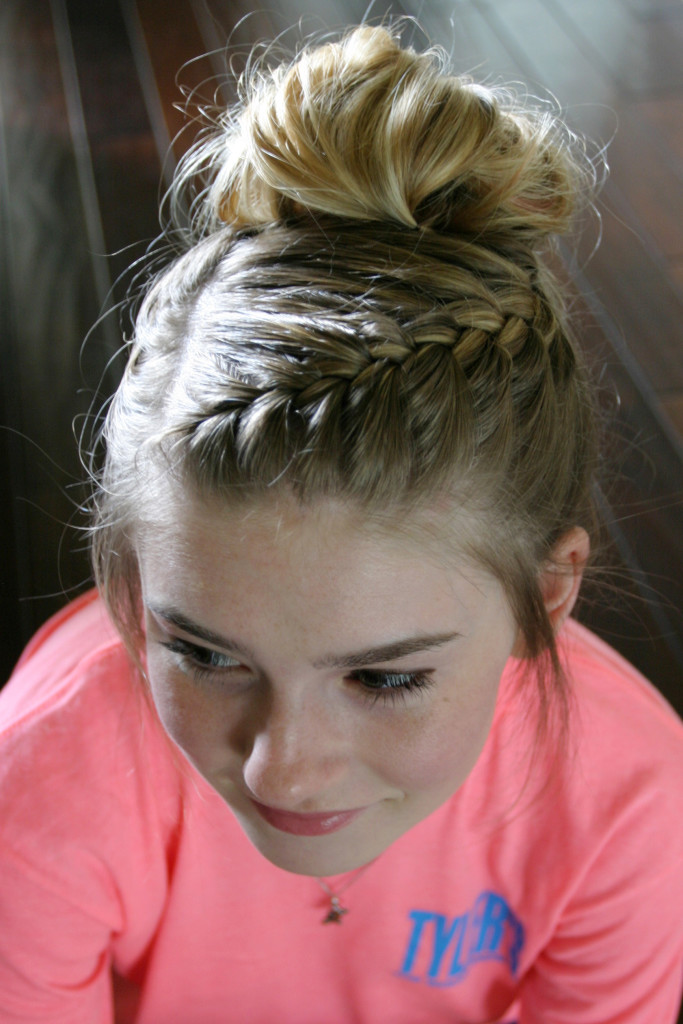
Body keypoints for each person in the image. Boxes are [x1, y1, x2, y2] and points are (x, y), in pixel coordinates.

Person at [0, 23, 681, 1024]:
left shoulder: (628, 794)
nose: (284, 766)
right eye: (200, 652)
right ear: (134, 578)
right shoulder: (41, 780)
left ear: (546, 592)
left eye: (384, 676)